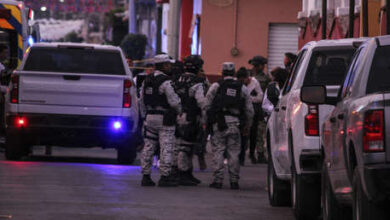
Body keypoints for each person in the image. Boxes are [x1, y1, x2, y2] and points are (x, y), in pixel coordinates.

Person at [206, 62, 254, 190]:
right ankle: (234, 181)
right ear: (234, 73)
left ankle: (218, 180)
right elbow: (249, 110)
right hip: (235, 124)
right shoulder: (242, 88)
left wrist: (206, 122)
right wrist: (247, 126)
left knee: (218, 150)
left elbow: (206, 104)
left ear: (222, 72)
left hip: (219, 123)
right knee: (234, 152)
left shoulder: (216, 86)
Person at [140, 54, 182, 187]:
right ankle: (165, 176)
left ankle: (146, 176)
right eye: (168, 64)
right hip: (164, 118)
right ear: (164, 65)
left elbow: (141, 100)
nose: (170, 67)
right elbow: (174, 102)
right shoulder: (166, 81)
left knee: (149, 146)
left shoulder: (147, 80)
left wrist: (144, 116)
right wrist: (180, 111)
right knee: (166, 146)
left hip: (149, 117)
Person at [173, 55, 206, 186]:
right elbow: (201, 101)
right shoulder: (197, 82)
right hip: (190, 116)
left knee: (179, 145)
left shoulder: (177, 80)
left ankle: (186, 172)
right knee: (186, 146)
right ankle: (183, 173)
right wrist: (205, 117)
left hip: (177, 115)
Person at [236, 67, 263, 166]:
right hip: (242, 111)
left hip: (253, 110)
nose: (244, 82)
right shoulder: (237, 84)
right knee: (241, 134)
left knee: (253, 133)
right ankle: (240, 156)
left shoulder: (255, 82)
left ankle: (251, 154)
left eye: (245, 79)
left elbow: (260, 97)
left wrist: (250, 99)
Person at [248, 55, 271, 163]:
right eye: (255, 65)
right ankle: (247, 153)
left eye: (258, 65)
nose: (256, 67)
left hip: (260, 107)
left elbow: (268, 94)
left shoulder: (266, 78)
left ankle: (260, 154)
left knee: (260, 131)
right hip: (248, 107)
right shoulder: (248, 75)